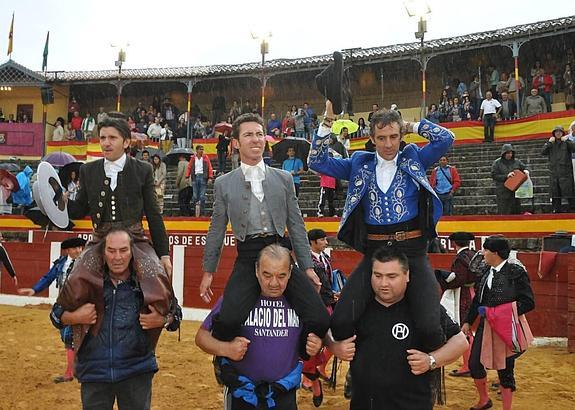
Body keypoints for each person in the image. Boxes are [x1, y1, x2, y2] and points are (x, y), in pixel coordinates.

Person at [308, 100, 454, 351]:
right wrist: (327, 122)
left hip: (412, 251)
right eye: (382, 138)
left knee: (430, 327)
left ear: (401, 135)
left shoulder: (414, 157)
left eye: (394, 136)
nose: (388, 144)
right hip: (375, 251)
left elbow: (446, 138)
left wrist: (411, 125)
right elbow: (317, 162)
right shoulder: (358, 163)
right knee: (342, 321)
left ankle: (423, 376)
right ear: (372, 138)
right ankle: (368, 365)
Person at [199, 112, 329, 348]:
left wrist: (307, 267)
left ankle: (294, 356)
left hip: (280, 252)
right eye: (248, 135)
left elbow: (297, 225)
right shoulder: (224, 183)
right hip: (248, 255)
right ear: (236, 143)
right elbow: (216, 229)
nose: (256, 139)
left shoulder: (284, 179)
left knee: (319, 318)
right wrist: (209, 271)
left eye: (259, 134)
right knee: (227, 321)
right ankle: (227, 362)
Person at [62, 115, 178, 350]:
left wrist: (164, 254)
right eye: (103, 138)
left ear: (126, 142)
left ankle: (161, 324)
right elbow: (78, 210)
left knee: (157, 277)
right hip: (101, 240)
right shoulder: (89, 170)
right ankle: (72, 333)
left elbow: (154, 215)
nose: (106, 143)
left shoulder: (142, 170)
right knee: (75, 278)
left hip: (134, 238)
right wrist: (60, 201)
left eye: (112, 138)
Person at [50, 229, 180, 410]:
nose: (117, 257)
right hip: (94, 373)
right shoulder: (86, 280)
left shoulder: (146, 281)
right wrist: (74, 317)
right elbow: (55, 315)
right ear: (102, 252)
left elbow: (176, 316)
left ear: (132, 251)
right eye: (111, 250)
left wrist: (163, 320)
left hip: (136, 371)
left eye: (123, 250)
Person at [328, 247, 468, 410]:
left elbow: (460, 342)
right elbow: (329, 330)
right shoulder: (358, 307)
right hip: (364, 403)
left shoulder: (423, 309)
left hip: (412, 403)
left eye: (391, 276)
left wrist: (431, 360)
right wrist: (333, 346)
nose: (383, 283)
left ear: (407, 275)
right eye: (378, 276)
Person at [196, 244, 322, 410]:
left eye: (281, 276)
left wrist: (317, 344)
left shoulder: (300, 303)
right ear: (256, 271)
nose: (273, 283)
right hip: (242, 393)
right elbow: (201, 337)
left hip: (284, 394)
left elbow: (320, 333)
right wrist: (225, 348)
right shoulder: (237, 299)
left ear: (291, 273)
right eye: (267, 275)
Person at [461, 236, 535, 410]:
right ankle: (484, 399)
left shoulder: (516, 273)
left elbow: (528, 302)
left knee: (505, 370)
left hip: (507, 327)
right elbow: (478, 302)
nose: (483, 253)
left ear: (495, 253)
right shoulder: (485, 272)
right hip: (486, 326)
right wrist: (467, 322)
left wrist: (498, 314)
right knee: (474, 364)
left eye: (486, 250)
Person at [18, 237, 86, 383]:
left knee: (70, 338)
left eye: (81, 248)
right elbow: (48, 278)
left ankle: (71, 372)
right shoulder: (61, 264)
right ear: (67, 250)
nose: (79, 251)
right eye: (75, 248)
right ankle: (76, 369)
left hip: (79, 306)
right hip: (62, 305)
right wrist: (34, 289)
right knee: (67, 337)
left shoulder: (86, 264)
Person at [434, 232, 477, 378]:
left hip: (463, 295)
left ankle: (467, 365)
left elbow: (459, 279)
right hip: (473, 292)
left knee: (464, 329)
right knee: (468, 329)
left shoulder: (460, 258)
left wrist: (444, 280)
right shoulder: (474, 254)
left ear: (454, 243)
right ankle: (470, 363)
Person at [542, 126, 575, 213]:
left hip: (566, 172)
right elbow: (543, 152)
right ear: (553, 133)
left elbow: (574, 148)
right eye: (556, 132)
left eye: (560, 132)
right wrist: (549, 143)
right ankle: (556, 210)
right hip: (554, 173)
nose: (558, 133)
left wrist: (567, 140)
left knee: (569, 192)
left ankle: (572, 209)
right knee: (555, 193)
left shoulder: (567, 142)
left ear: (562, 133)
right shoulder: (551, 144)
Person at [491, 144, 528, 215]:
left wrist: (526, 171)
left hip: (515, 191)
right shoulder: (497, 163)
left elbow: (525, 167)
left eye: (511, 153)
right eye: (507, 153)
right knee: (504, 211)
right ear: (503, 153)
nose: (509, 155)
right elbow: (494, 175)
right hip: (502, 191)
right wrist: (506, 176)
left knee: (516, 211)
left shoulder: (517, 161)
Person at [186, 145, 213, 217]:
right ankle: (196, 212)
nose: (202, 151)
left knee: (202, 196)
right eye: (200, 149)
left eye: (202, 149)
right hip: (195, 177)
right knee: (195, 196)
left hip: (203, 177)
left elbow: (209, 167)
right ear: (197, 150)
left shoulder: (205, 158)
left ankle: (202, 212)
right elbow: (189, 167)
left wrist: (210, 177)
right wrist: (187, 176)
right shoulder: (193, 158)